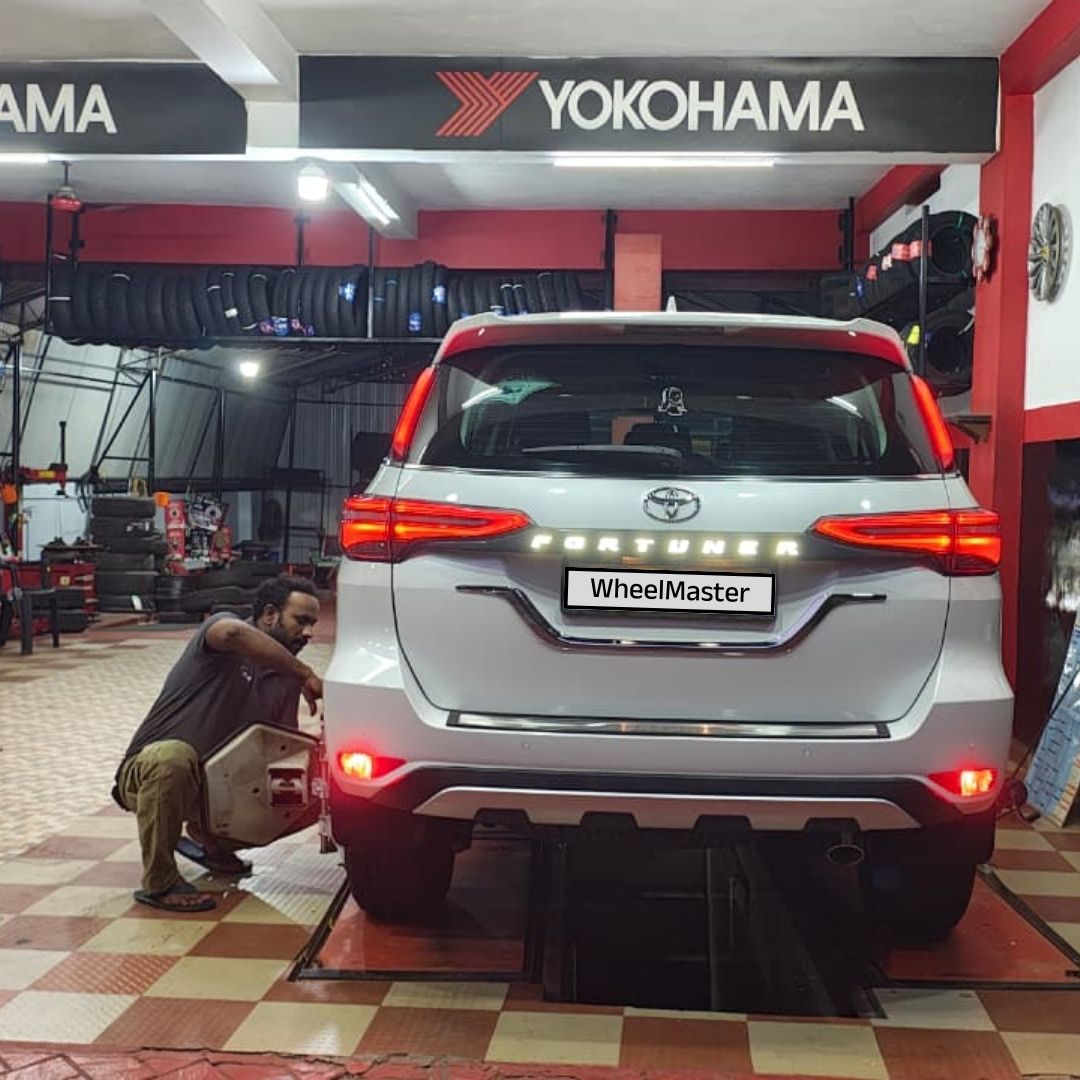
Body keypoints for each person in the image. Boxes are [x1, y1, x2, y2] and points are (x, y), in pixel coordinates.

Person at [113, 574, 324, 913]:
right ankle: (160, 882)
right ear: (270, 615)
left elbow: (278, 751)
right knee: (173, 756)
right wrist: (304, 672)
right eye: (301, 620)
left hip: (215, 790)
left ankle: (216, 843)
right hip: (149, 775)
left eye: (313, 623)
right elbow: (233, 633)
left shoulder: (284, 680)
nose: (309, 632)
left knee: (316, 788)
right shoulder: (221, 633)